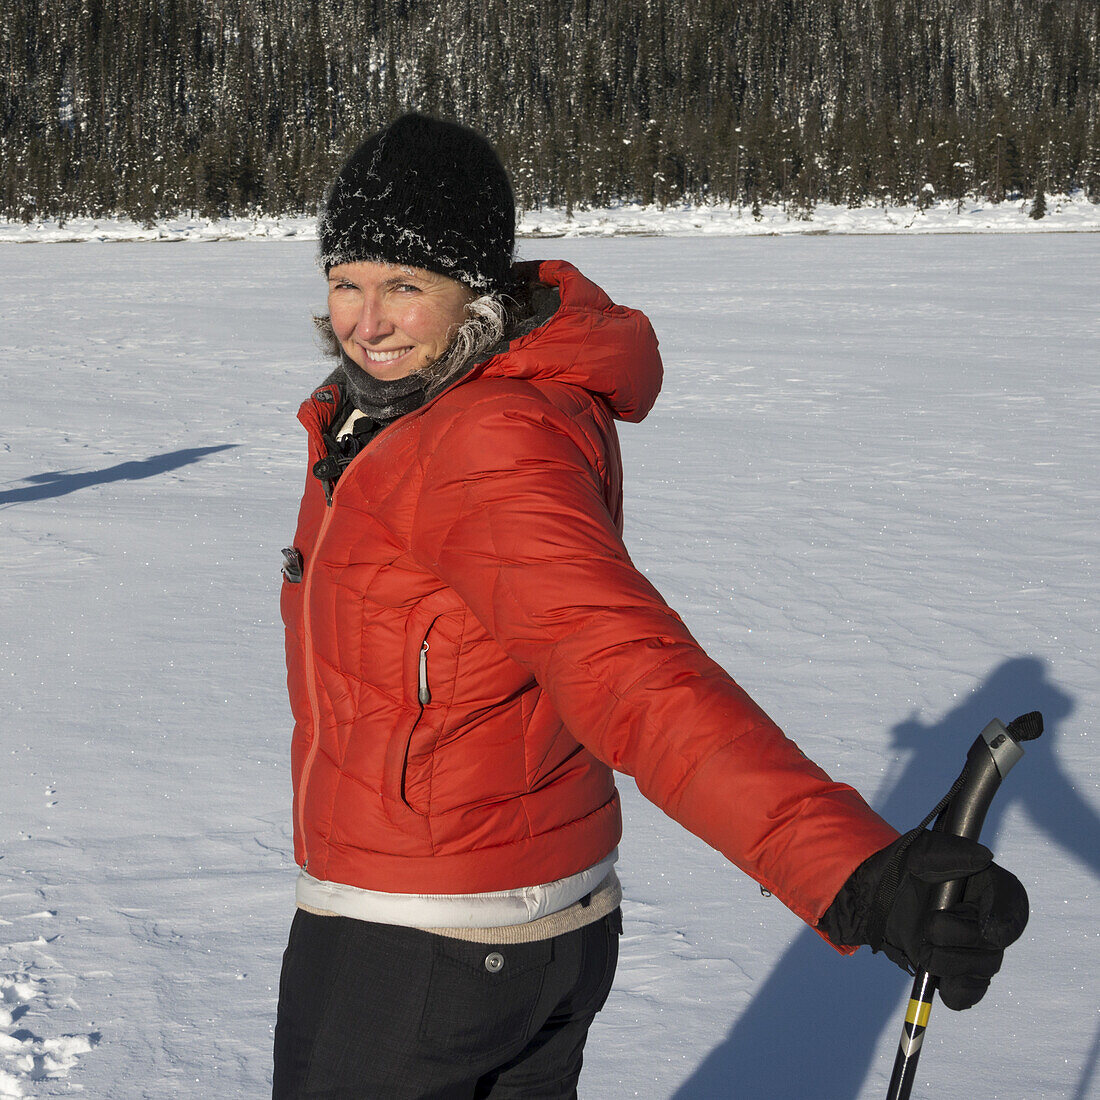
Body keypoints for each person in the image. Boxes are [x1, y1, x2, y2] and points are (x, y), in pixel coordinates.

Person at [273, 113, 1028, 1098]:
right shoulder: (403, 411)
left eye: (404, 286)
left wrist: (851, 873)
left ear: (474, 292)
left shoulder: (472, 443)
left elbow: (628, 670)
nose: (364, 321)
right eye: (345, 283)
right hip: (519, 922)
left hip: (419, 940)